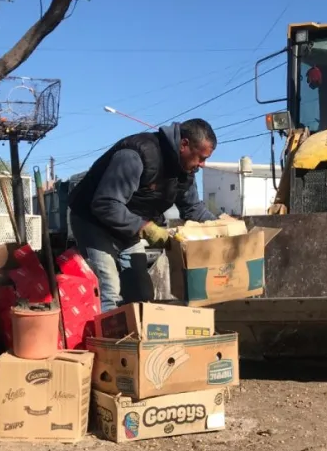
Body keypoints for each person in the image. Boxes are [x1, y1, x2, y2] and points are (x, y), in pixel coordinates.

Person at [67, 119, 219, 312]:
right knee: (110, 290)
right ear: (184, 144)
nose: (203, 165)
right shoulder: (136, 155)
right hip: (92, 221)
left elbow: (193, 209)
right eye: (201, 157)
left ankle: (135, 337)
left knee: (141, 293)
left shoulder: (186, 171)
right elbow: (105, 203)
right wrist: (145, 227)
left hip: (128, 227)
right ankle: (105, 339)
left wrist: (222, 229)